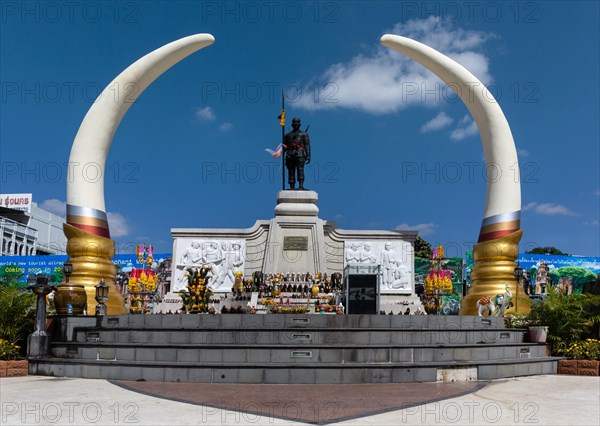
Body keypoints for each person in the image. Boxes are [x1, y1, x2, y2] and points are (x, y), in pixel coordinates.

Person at [284, 117, 310, 189]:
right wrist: (279, 152)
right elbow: (284, 146)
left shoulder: (304, 134)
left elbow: (307, 145)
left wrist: (308, 155)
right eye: (294, 122)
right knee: (291, 171)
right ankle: (291, 186)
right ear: (292, 124)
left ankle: (301, 186)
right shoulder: (287, 135)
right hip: (290, 155)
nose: (296, 123)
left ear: (300, 124)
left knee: (300, 169)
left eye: (297, 122)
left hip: (300, 154)